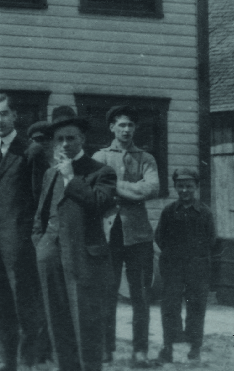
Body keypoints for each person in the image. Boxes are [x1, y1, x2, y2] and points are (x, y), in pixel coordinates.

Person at [32, 113, 118, 371]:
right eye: (60, 139)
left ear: (82, 139)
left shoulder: (101, 171)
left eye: (71, 138)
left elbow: (98, 204)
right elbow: (41, 214)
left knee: (86, 323)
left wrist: (71, 177)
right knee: (57, 321)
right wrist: (41, 244)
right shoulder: (50, 173)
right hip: (51, 255)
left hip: (83, 257)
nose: (66, 144)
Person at [0, 93, 48, 371]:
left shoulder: (32, 151)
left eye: (4, 114)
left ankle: (27, 362)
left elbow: (43, 200)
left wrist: (34, 239)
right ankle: (8, 361)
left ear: (14, 115)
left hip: (20, 244)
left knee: (25, 303)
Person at [92, 106, 161, 364]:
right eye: (121, 125)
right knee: (106, 293)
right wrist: (132, 189)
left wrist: (114, 186)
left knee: (141, 295)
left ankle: (140, 350)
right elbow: (96, 190)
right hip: (108, 233)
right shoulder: (99, 157)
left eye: (131, 125)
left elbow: (151, 189)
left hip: (139, 235)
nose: (126, 129)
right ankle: (105, 347)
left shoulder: (146, 158)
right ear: (112, 127)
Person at [155, 168, 214, 362]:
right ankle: (168, 346)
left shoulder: (204, 213)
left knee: (196, 306)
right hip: (172, 267)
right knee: (170, 306)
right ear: (175, 187)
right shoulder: (169, 212)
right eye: (180, 186)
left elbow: (211, 240)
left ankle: (195, 346)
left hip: (197, 268)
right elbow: (160, 237)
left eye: (189, 186)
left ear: (196, 187)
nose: (185, 190)